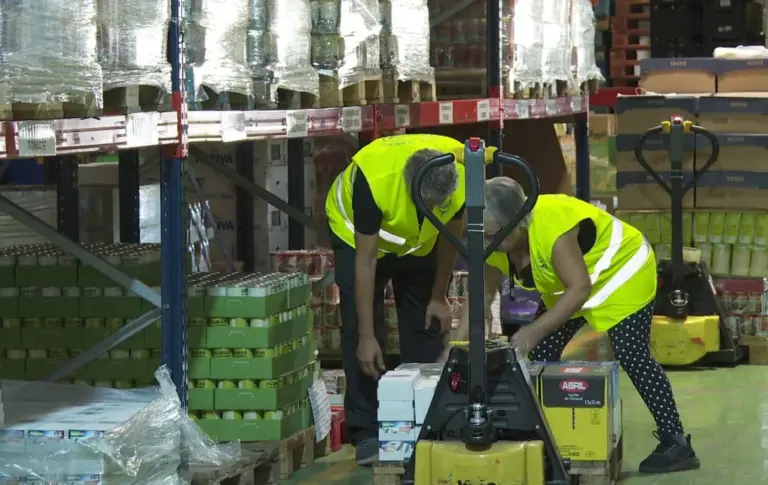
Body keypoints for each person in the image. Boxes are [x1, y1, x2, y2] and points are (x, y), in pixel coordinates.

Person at [457, 176, 698, 475]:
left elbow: (580, 288)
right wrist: (455, 346)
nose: (482, 242)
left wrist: (534, 330)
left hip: (622, 271)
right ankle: (546, 433)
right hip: (573, 283)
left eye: (489, 233)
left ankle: (675, 440)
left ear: (513, 224)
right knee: (541, 354)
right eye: (476, 234)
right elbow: (482, 294)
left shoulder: (552, 227)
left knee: (631, 353)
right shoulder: (495, 240)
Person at [325, 134, 496, 465]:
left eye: (437, 205)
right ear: (411, 187)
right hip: (357, 240)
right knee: (362, 334)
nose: (433, 208)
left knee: (426, 323)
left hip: (418, 242)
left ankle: (428, 419)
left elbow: (451, 235)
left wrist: (438, 296)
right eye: (426, 203)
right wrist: (366, 337)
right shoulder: (374, 182)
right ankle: (367, 431)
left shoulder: (460, 176)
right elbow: (367, 260)